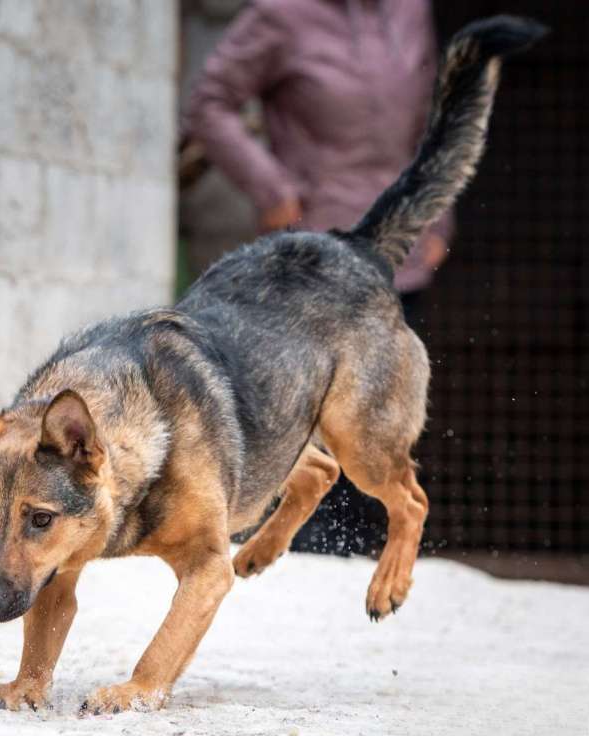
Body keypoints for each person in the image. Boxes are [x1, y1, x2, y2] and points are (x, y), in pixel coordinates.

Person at [187, 0, 454, 554]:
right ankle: (305, 553)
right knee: (301, 414)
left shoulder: (410, 11)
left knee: (377, 416)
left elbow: (429, 124)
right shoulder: (280, 14)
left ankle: (371, 554)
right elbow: (209, 104)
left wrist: (439, 215)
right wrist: (272, 189)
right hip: (309, 261)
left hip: (394, 247)